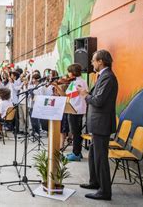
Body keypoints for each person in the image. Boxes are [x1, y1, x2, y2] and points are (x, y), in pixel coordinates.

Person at [77, 50, 118, 201]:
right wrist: (88, 94)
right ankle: (95, 182)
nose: (92, 63)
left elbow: (99, 101)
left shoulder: (108, 77)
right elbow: (97, 97)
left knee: (101, 157)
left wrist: (85, 95)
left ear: (101, 61)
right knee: (94, 154)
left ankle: (105, 191)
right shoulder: (103, 76)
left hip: (101, 124)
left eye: (94, 60)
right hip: (97, 124)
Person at [52, 64, 88, 161]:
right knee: (77, 132)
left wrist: (58, 85)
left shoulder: (76, 83)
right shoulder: (80, 81)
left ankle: (76, 154)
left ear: (73, 73)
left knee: (76, 132)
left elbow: (66, 96)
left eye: (69, 72)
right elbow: (66, 95)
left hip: (75, 110)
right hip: (77, 110)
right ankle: (77, 152)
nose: (67, 74)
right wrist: (57, 86)